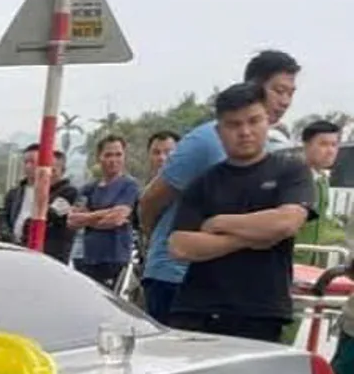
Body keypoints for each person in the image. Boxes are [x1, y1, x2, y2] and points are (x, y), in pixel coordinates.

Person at [139, 50, 300, 325]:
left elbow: (285, 221)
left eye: (290, 93)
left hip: (243, 292)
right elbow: (151, 200)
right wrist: (158, 244)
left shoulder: (281, 156)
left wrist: (225, 228)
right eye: (278, 91)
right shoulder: (205, 141)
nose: (284, 101)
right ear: (254, 88)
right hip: (178, 279)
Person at [167, 82, 314, 343]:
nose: (245, 132)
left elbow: (286, 223)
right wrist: (254, 236)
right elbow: (180, 246)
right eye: (233, 125)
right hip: (197, 312)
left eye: (253, 121)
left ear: (267, 121)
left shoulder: (291, 171)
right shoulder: (203, 183)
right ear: (219, 131)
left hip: (261, 313)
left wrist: (220, 223)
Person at [68, 135, 140, 288]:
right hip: (87, 257)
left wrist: (88, 218)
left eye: (118, 154)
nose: (113, 160)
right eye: (108, 155)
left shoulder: (129, 185)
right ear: (99, 157)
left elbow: (117, 219)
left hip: (115, 258)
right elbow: (72, 221)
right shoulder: (88, 189)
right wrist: (106, 213)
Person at [0, 145, 81, 262]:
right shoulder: (14, 193)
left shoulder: (66, 192)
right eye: (26, 162)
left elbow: (52, 214)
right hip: (15, 251)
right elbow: (3, 216)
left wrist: (26, 228)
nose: (28, 166)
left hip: (49, 255)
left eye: (33, 162)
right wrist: (8, 236)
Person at [295, 119, 341, 263]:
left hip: (311, 262)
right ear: (306, 145)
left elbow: (320, 221)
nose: (330, 151)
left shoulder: (322, 180)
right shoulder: (293, 179)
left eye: (334, 145)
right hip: (290, 262)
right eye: (323, 144)